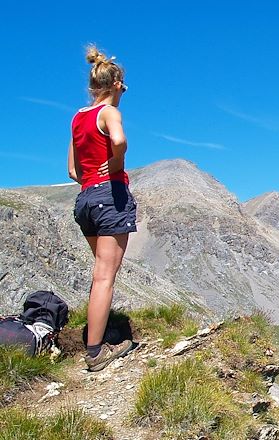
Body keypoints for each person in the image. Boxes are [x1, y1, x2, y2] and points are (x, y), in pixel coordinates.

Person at [67, 45, 136, 372]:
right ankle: (95, 353)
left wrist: (93, 175)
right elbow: (120, 140)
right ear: (115, 85)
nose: (124, 91)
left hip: (85, 199)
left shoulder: (78, 118)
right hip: (110, 196)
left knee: (100, 272)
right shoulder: (109, 113)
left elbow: (72, 170)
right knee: (105, 276)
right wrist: (115, 162)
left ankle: (99, 333)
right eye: (123, 86)